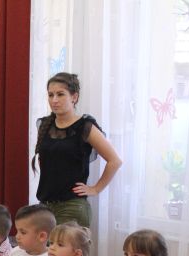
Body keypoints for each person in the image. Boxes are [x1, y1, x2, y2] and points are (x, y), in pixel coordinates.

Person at [32, 72, 122, 227]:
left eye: (60, 94)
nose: (54, 100)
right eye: (50, 95)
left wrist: (95, 189)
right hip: (45, 205)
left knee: (65, 244)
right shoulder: (44, 125)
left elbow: (115, 161)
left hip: (72, 206)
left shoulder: (85, 126)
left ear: (74, 97)